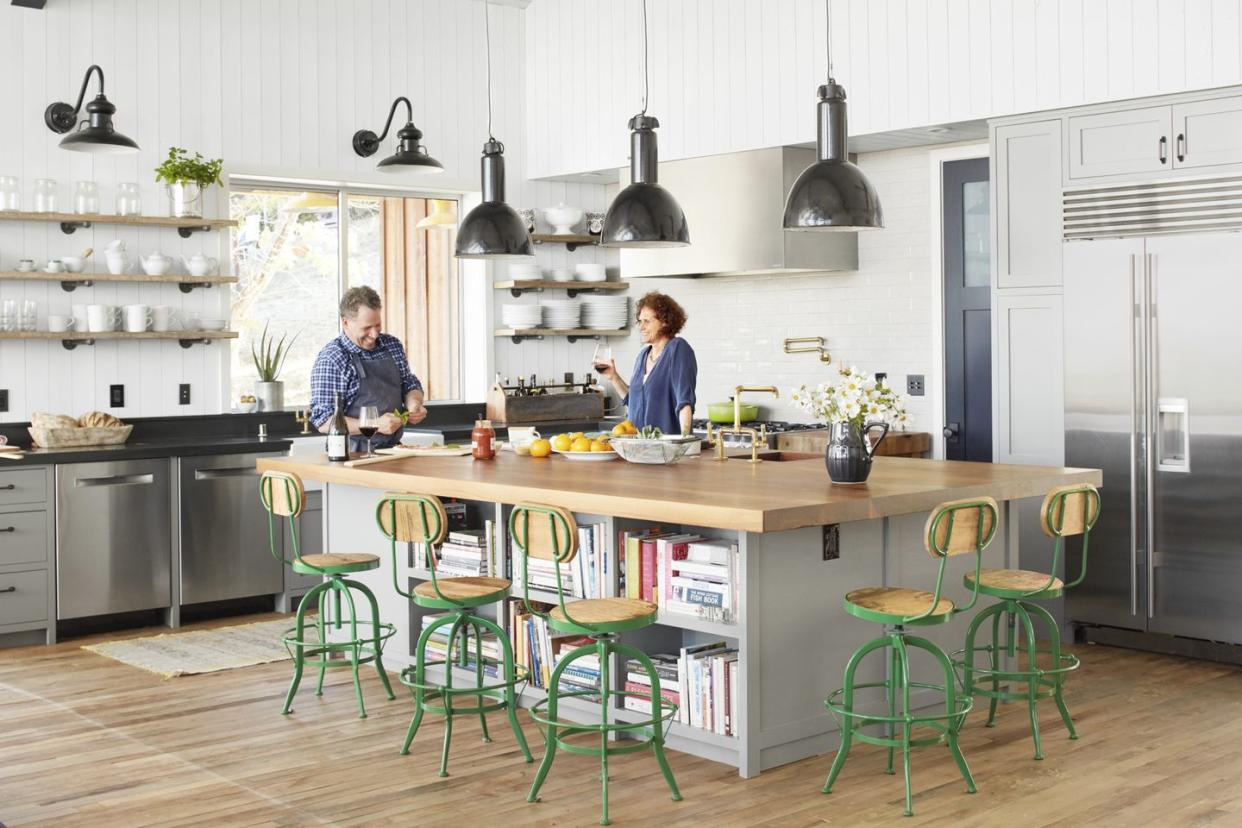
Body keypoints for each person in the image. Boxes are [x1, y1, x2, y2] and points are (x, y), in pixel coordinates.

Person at [309, 286, 428, 452]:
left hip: (393, 451)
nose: (374, 335)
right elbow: (323, 420)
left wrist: (414, 403)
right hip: (350, 454)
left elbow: (409, 383)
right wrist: (374, 425)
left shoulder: (391, 345)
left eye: (378, 326)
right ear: (345, 322)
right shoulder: (332, 359)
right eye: (366, 328)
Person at [598, 291, 697, 435]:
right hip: (638, 448)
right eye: (640, 321)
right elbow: (635, 401)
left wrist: (684, 441)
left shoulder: (677, 349)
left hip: (666, 449)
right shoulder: (643, 355)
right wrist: (613, 377)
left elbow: (684, 402)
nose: (641, 327)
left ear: (665, 322)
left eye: (647, 321)